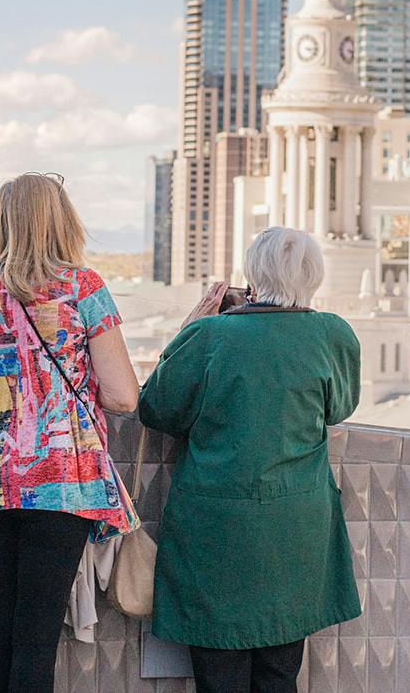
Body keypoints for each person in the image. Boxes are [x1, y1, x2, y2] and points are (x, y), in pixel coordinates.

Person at [138, 227, 361, 693]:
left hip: (216, 531)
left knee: (219, 677)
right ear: (313, 275)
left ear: (253, 275)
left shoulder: (209, 334)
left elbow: (157, 409)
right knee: (280, 673)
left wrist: (188, 329)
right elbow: (338, 408)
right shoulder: (332, 334)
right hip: (295, 529)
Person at [0, 172, 140, 693]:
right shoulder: (84, 288)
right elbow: (124, 396)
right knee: (34, 643)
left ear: (3, 221)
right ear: (62, 220)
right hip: (61, 482)